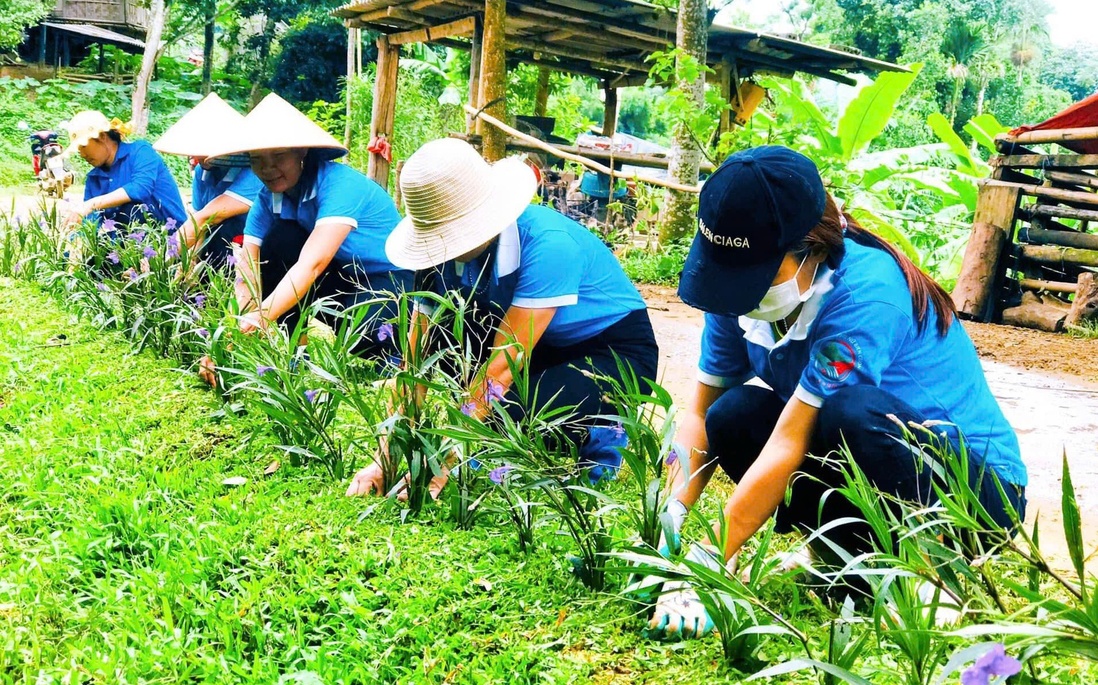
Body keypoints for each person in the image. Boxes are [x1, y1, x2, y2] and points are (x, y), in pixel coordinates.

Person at [648, 146, 1027, 638]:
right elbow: (701, 414)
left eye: (759, 275)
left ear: (813, 248)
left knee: (853, 410)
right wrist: (670, 514)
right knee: (735, 415)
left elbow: (792, 440)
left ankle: (935, 569)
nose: (741, 290)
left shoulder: (866, 295)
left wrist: (708, 557)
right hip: (866, 461)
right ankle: (841, 555)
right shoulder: (733, 288)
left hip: (974, 492)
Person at [345, 138, 660, 498]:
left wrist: (443, 465)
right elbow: (415, 361)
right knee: (459, 358)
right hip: (538, 342)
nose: (443, 244)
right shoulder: (437, 256)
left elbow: (501, 370)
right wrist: (382, 459)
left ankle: (602, 431)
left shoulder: (548, 244)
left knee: (509, 417)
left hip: (609, 353)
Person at [201, 93, 412, 363]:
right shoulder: (268, 199)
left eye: (278, 156)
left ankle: (398, 355)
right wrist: (237, 328)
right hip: (344, 275)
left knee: (361, 334)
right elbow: (248, 267)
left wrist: (263, 316)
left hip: (390, 279)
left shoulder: (340, 185)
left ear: (301, 151)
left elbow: (313, 263)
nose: (268, 168)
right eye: (257, 159)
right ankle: (298, 351)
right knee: (280, 241)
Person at [154, 93, 264, 268]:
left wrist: (158, 260)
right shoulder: (201, 172)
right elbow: (197, 225)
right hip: (220, 247)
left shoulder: (253, 171)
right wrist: (188, 268)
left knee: (222, 227)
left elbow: (206, 218)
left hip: (254, 250)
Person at [63, 111, 187, 230]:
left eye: (83, 146)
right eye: (78, 149)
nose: (82, 154)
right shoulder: (94, 178)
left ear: (102, 137)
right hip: (124, 247)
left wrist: (92, 204)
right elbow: (91, 225)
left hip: (170, 240)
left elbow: (141, 188)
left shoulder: (141, 151)